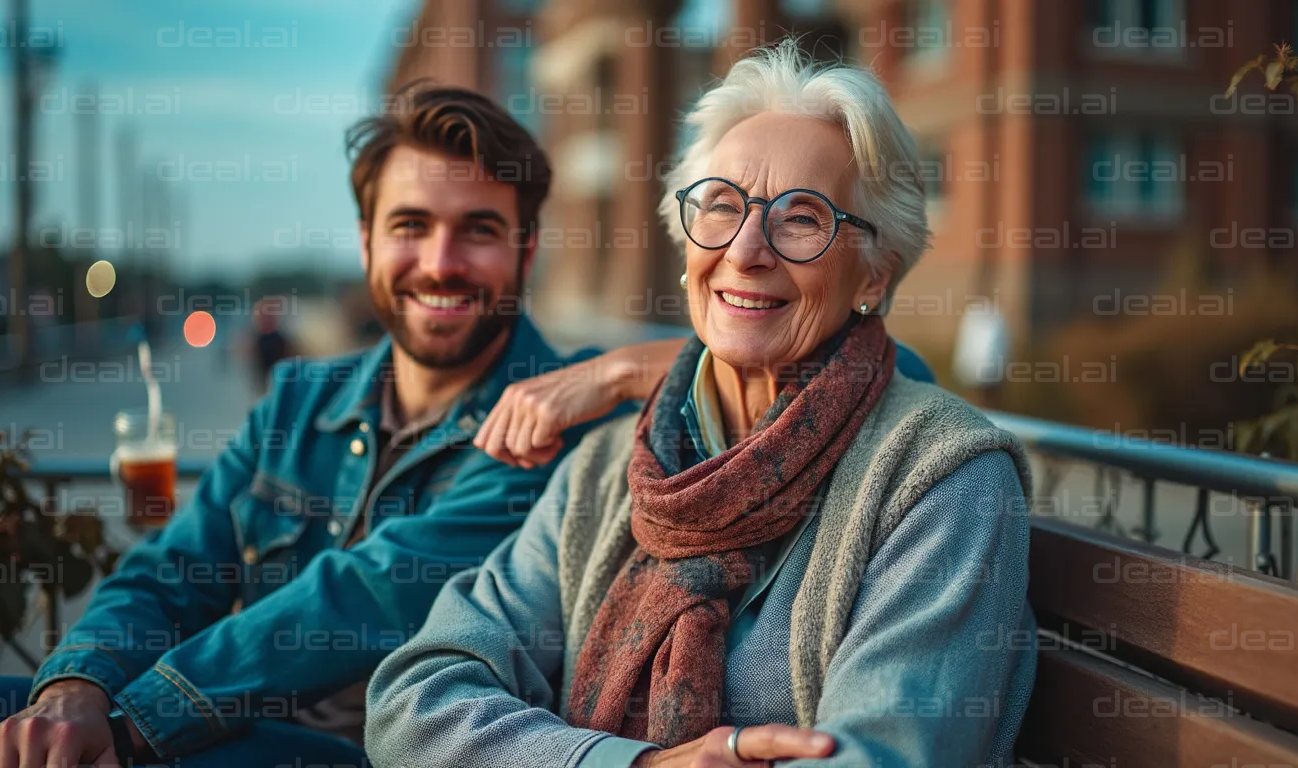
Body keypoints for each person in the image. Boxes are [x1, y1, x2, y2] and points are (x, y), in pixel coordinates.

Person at [365, 40, 1037, 768]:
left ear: (875, 273)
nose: (746, 249)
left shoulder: (940, 479)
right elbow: (413, 702)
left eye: (801, 218)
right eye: (720, 206)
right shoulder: (605, 468)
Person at [0, 85, 678, 767]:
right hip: (232, 733)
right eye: (410, 225)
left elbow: (363, 593)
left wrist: (612, 372)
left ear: (526, 253)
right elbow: (173, 570)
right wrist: (77, 687)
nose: (440, 263)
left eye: (479, 229)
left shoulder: (564, 417)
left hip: (398, 752)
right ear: (366, 243)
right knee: (17, 717)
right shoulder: (298, 399)